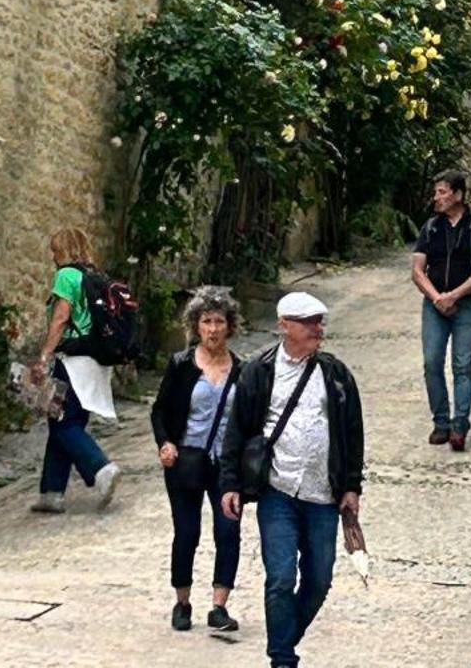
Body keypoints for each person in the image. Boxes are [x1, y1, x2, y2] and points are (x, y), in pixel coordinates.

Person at [220, 291, 363, 668]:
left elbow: (352, 433)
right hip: (277, 491)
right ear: (285, 326)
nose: (318, 329)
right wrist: (230, 484)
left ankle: (284, 640)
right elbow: (236, 431)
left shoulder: (335, 374)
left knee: (318, 581)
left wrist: (352, 487)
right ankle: (283, 660)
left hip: (322, 495)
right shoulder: (258, 371)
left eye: (320, 322)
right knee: (280, 578)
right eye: (309, 322)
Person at [151, 285, 243, 637]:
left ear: (229, 326)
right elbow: (159, 410)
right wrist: (165, 443)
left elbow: (248, 420)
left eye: (220, 321)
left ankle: (219, 606)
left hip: (225, 464)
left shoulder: (242, 371)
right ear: (196, 325)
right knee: (187, 532)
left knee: (228, 531)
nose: (213, 329)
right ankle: (182, 601)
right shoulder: (181, 365)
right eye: (207, 321)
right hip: (186, 459)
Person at [27, 226, 121, 513]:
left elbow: (60, 318)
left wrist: (44, 356)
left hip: (72, 360)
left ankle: (100, 468)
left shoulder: (67, 275)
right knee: (66, 421)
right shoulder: (97, 277)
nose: (53, 257)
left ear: (64, 251)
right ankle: (51, 492)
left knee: (63, 422)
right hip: (94, 361)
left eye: (55, 251)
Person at [411, 168, 471, 451]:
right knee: (432, 362)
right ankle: (441, 422)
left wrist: (454, 296)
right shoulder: (431, 227)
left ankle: (460, 425)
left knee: (462, 365)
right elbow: (417, 271)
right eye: (436, 192)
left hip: (468, 305)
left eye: (442, 192)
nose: (437, 198)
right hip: (435, 306)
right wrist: (437, 298)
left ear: (458, 194)